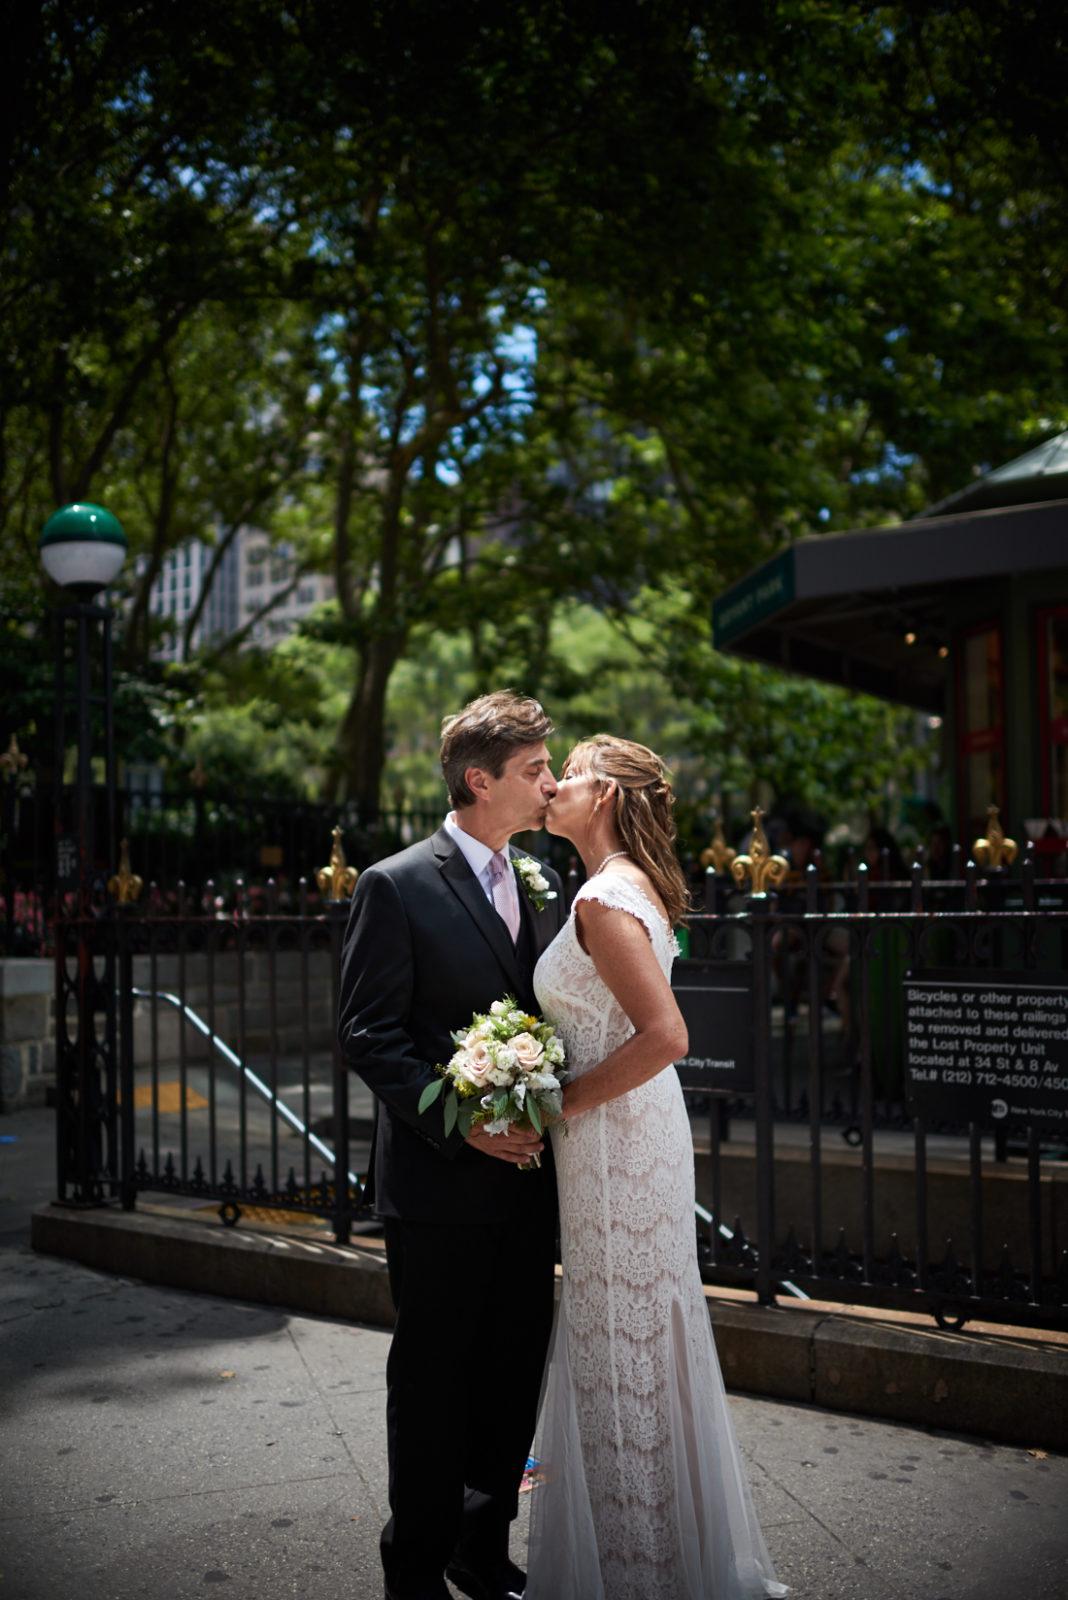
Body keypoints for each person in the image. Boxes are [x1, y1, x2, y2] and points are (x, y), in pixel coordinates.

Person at [527, 735, 786, 1600]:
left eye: (567, 772)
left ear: (603, 796)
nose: (552, 783)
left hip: (616, 1148)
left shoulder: (606, 897)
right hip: (627, 1139)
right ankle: (666, 1561)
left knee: (626, 1352)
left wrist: (558, 1101)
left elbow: (667, 1036)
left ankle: (642, 1575)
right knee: (635, 1345)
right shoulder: (623, 883)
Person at [337, 691, 565, 1600]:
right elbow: (368, 1035)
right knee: (433, 1385)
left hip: (526, 1188)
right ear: (481, 780)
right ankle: (416, 1567)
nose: (551, 781)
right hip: (436, 1189)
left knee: (512, 1376)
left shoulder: (540, 877)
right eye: (537, 769)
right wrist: (466, 1123)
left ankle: (481, 1547)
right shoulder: (394, 884)